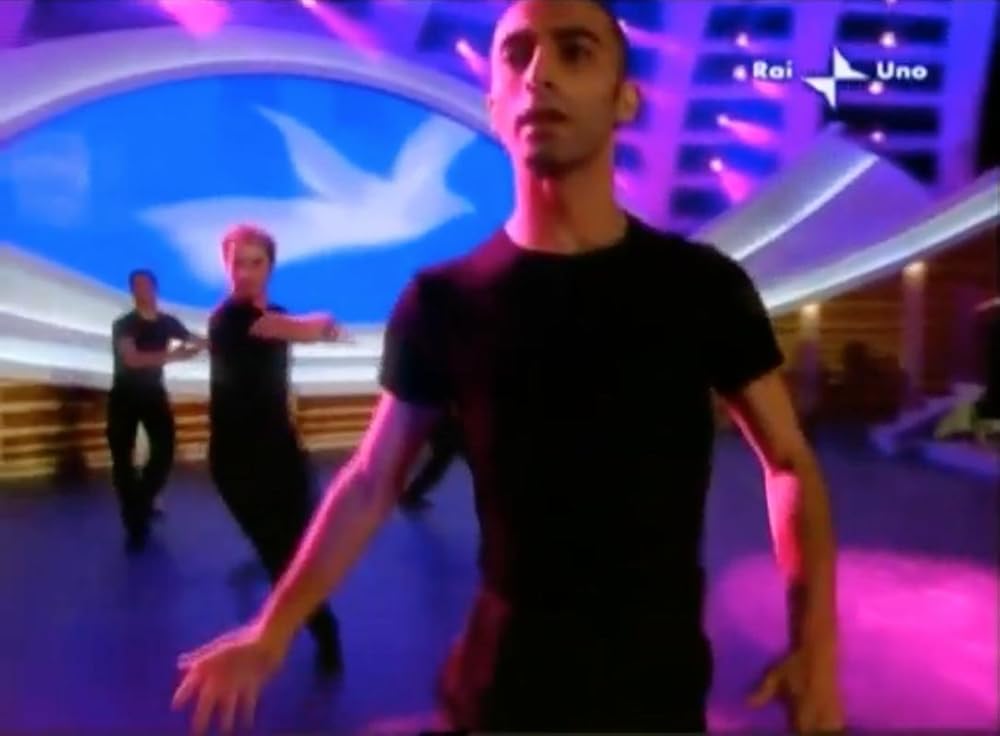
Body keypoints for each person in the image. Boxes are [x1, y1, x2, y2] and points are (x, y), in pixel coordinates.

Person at [173, 1, 844, 732]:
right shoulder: (442, 301)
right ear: (494, 106)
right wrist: (272, 631)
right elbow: (369, 481)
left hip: (658, 696)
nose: (539, 73)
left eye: (574, 51)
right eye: (517, 55)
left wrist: (815, 643)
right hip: (498, 694)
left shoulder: (701, 287)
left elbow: (788, 462)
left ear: (624, 100)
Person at [205, 225, 345, 676]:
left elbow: (301, 337)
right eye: (237, 262)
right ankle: (324, 633)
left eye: (256, 262)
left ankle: (309, 617)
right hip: (238, 461)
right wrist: (322, 326)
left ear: (270, 266)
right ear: (225, 265)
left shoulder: (276, 315)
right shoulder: (229, 320)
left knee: (305, 546)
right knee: (282, 556)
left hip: (281, 451)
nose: (245, 272)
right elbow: (299, 328)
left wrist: (321, 328)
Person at [108, 268, 202, 552]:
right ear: (132, 291)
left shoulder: (167, 322)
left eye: (146, 285)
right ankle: (135, 525)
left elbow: (195, 340)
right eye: (136, 286)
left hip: (152, 394)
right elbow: (132, 359)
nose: (142, 291)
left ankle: (141, 502)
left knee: (165, 451)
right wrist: (174, 356)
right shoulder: (124, 324)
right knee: (123, 461)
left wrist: (216, 343)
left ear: (155, 288)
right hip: (124, 396)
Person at [398, 414, 461, 511]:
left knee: (438, 463)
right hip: (449, 429)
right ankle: (410, 495)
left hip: (447, 427)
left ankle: (411, 494)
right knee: (438, 463)